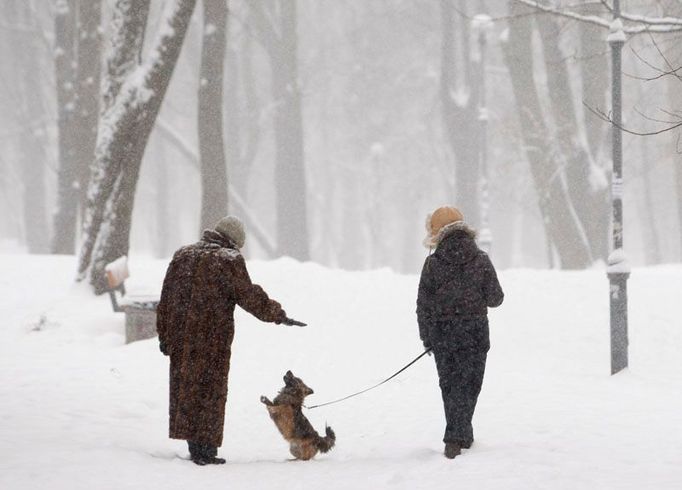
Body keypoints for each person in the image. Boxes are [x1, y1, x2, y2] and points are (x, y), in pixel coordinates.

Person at [156, 216, 303, 465]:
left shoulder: (183, 255)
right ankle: (205, 451)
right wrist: (277, 315)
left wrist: (165, 335)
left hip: (181, 338)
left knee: (189, 389)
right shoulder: (228, 260)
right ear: (233, 241)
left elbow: (166, 298)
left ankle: (196, 446)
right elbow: (249, 296)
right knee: (209, 391)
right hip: (210, 338)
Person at [416, 206, 504, 459]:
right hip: (475, 332)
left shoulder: (432, 264)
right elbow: (496, 298)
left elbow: (423, 306)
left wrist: (427, 337)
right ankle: (457, 435)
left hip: (443, 334)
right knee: (469, 385)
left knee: (450, 386)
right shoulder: (481, 260)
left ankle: (458, 434)